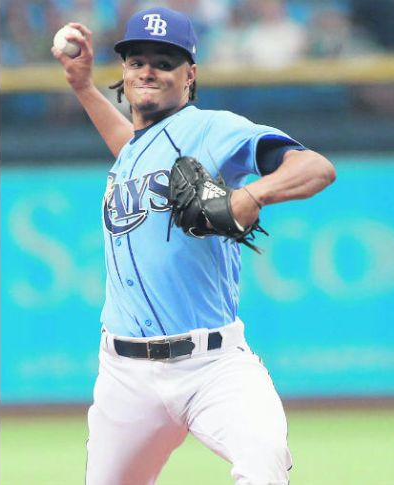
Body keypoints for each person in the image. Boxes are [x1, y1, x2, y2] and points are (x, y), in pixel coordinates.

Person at [51, 6, 336, 485]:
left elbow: (316, 168)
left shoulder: (212, 128)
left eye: (164, 61)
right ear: (123, 70)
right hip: (125, 376)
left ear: (190, 75)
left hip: (212, 366)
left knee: (263, 465)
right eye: (137, 60)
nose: (148, 71)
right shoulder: (136, 151)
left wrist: (250, 194)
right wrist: (83, 87)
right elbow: (131, 148)